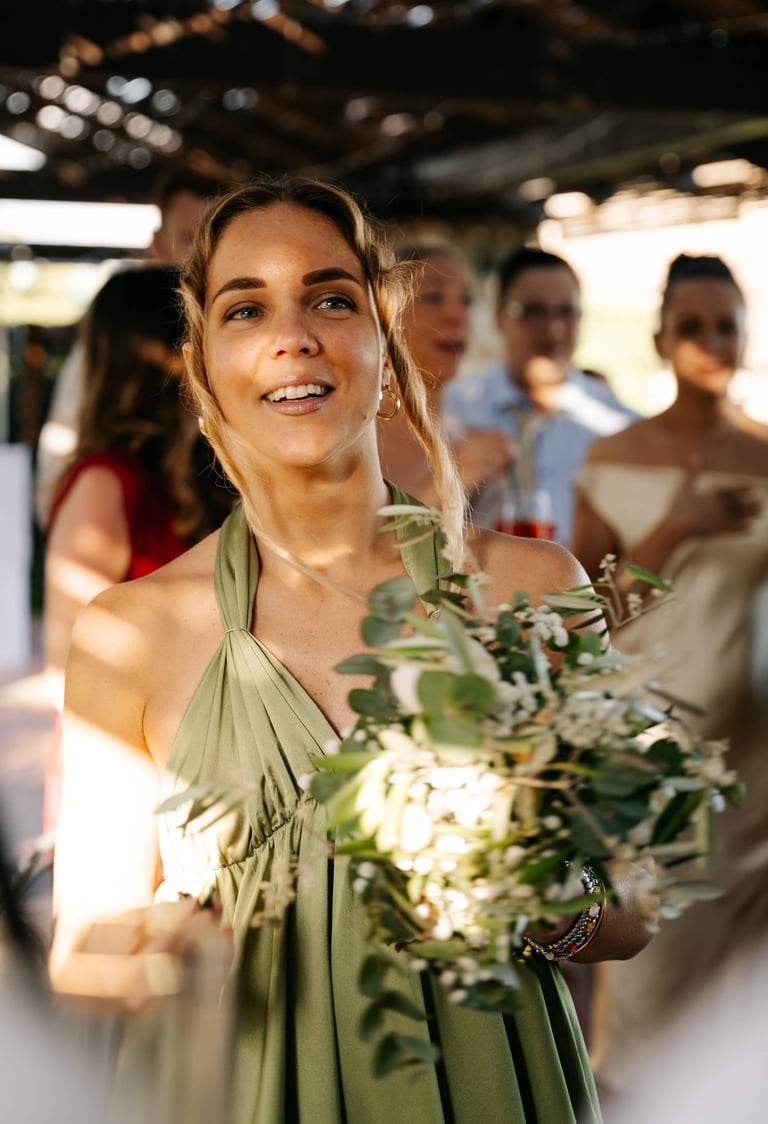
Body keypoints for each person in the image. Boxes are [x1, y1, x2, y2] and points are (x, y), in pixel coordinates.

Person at [49, 175, 654, 1124]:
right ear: (203, 365)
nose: (294, 334)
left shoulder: (534, 589)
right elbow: (81, 962)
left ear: (385, 340)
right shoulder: (131, 631)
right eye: (246, 308)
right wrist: (161, 948)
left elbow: (635, 908)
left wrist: (540, 892)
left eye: (331, 299)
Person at [570, 253, 768, 1100]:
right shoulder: (616, 456)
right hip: (650, 755)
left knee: (741, 986)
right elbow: (581, 618)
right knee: (654, 967)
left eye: (727, 326)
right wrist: (676, 529)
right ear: (660, 340)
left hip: (754, 756)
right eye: (693, 327)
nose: (712, 342)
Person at [42, 264, 235, 830]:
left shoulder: (208, 475)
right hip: (138, 779)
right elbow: (67, 672)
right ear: (170, 351)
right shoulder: (107, 482)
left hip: (216, 766)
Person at [35, 172, 220, 528]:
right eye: (189, 239)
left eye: (216, 241)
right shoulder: (121, 333)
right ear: (156, 244)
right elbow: (60, 458)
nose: (204, 257)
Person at [445, 245, 636, 546]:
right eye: (533, 312)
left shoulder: (618, 427)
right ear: (499, 317)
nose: (553, 328)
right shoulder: (453, 409)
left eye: (566, 313)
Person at [377, 239, 513, 516]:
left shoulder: (474, 446)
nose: (457, 315)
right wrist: (452, 481)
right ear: (385, 314)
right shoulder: (347, 439)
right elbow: (356, 543)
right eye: (433, 298)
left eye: (466, 301)